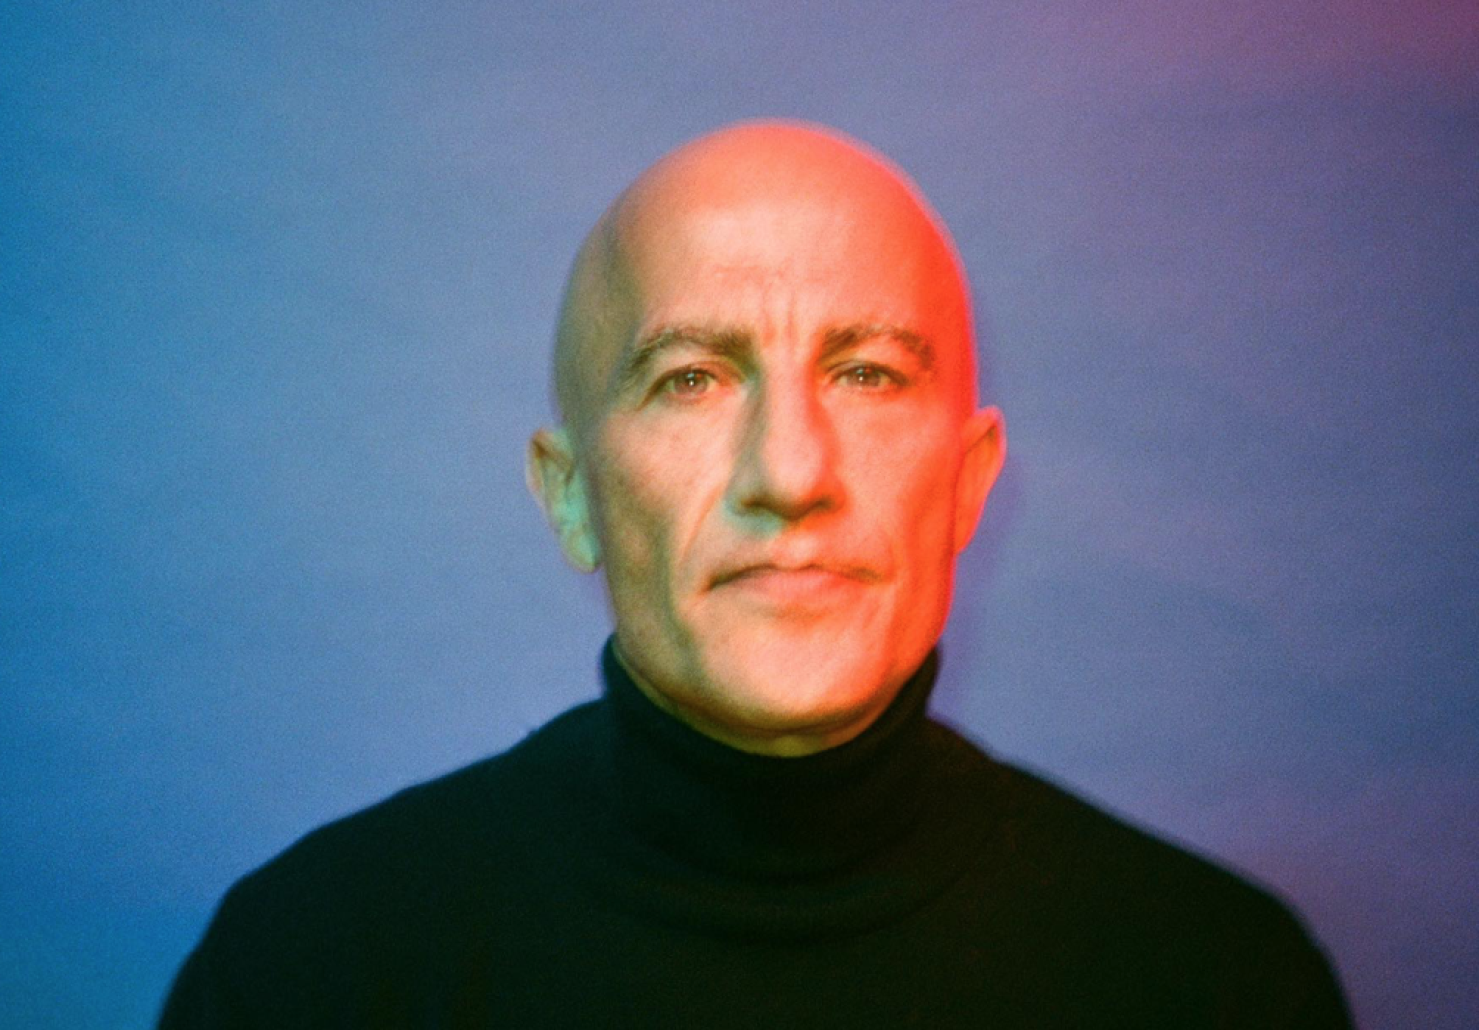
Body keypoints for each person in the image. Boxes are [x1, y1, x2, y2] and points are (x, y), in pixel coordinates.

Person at [159, 121, 1351, 1027]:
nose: (788, 472)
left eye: (869, 374)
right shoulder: (314, 968)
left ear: (969, 480)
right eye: (690, 378)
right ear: (570, 492)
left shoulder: (1216, 980)